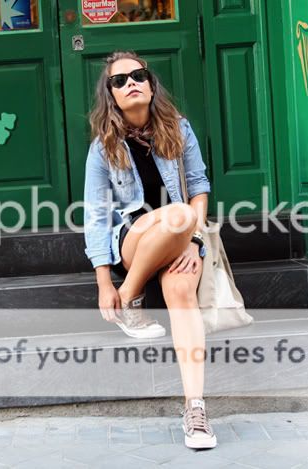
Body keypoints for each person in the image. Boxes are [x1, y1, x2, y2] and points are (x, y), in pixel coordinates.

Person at [82, 50, 217, 449]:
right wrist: (104, 283)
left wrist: (195, 240)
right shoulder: (103, 148)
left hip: (182, 238)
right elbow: (96, 216)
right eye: (119, 80)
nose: (131, 83)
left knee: (182, 291)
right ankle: (130, 291)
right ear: (111, 94)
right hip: (134, 240)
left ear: (151, 84)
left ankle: (195, 410)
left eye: (138, 76)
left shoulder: (179, 128)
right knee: (178, 213)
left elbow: (199, 186)